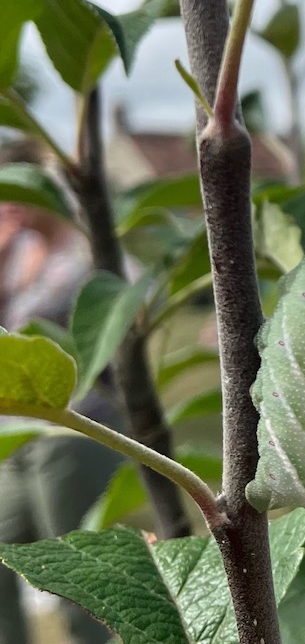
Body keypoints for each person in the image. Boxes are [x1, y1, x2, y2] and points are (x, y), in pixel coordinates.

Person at [0, 138, 122, 644]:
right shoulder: (17, 254)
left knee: (78, 580)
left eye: (13, 193)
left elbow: (117, 335)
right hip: (14, 434)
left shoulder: (87, 249)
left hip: (76, 429)